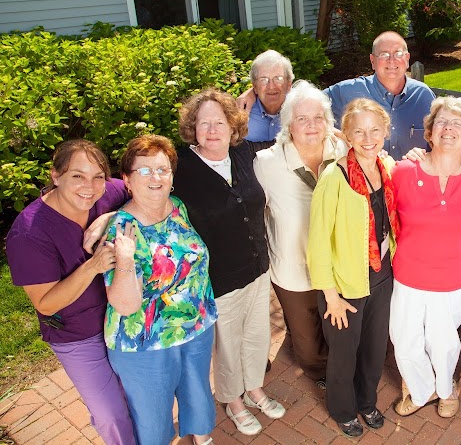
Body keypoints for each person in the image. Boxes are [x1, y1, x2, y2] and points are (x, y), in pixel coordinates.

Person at [6, 140, 136, 445]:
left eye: (97, 177)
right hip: (77, 335)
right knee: (110, 413)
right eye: (77, 176)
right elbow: (46, 304)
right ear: (55, 176)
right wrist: (92, 267)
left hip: (120, 318)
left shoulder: (109, 193)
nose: (89, 188)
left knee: (136, 394)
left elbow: (144, 191)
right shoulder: (29, 233)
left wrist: (109, 216)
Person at [172, 89, 285, 437]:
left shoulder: (242, 153)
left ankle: (253, 388)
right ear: (192, 128)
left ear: (232, 126)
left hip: (257, 267)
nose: (212, 129)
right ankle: (232, 399)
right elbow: (142, 182)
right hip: (218, 277)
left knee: (257, 334)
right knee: (228, 343)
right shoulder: (181, 167)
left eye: (219, 121)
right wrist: (108, 217)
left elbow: (287, 144)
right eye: (203, 122)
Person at [103, 135, 217, 445]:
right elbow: (125, 306)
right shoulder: (121, 229)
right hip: (147, 342)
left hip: (196, 326)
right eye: (144, 170)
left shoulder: (178, 207)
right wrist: (125, 260)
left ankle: (202, 439)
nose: (156, 177)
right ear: (127, 179)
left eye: (163, 169)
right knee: (153, 417)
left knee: (198, 391)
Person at [390, 96, 461, 419]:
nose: (449, 129)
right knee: (405, 342)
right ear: (429, 133)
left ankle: (446, 389)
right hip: (409, 274)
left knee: (444, 344)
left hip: (454, 277)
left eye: (457, 124)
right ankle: (421, 389)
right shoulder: (403, 170)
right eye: (442, 123)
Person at [307, 98, 400, 437]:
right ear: (346, 135)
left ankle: (366, 401)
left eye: (375, 130)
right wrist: (329, 294)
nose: (368, 137)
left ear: (386, 132)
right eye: (359, 131)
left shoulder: (385, 168)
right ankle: (343, 409)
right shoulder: (335, 176)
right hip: (345, 285)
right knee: (344, 354)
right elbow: (317, 242)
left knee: (374, 350)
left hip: (381, 276)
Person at [254, 82, 347, 390]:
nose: (311, 125)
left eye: (318, 117)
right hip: (294, 270)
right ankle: (319, 370)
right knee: (308, 346)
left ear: (328, 122)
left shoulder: (344, 151)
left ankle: (341, 363)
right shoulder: (267, 163)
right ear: (288, 125)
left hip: (338, 267)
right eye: (302, 119)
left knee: (339, 325)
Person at [323, 31, 436, 159]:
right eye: (384, 55)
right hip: (364, 177)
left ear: (407, 59)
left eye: (398, 54)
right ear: (372, 61)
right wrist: (341, 137)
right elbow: (309, 109)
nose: (391, 60)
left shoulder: (423, 96)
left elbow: (440, 140)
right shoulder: (348, 92)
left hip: (412, 177)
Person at [244, 50, 294, 142]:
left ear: (289, 84)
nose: (271, 86)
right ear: (255, 86)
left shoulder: (300, 111)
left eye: (278, 79)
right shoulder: (242, 113)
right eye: (264, 80)